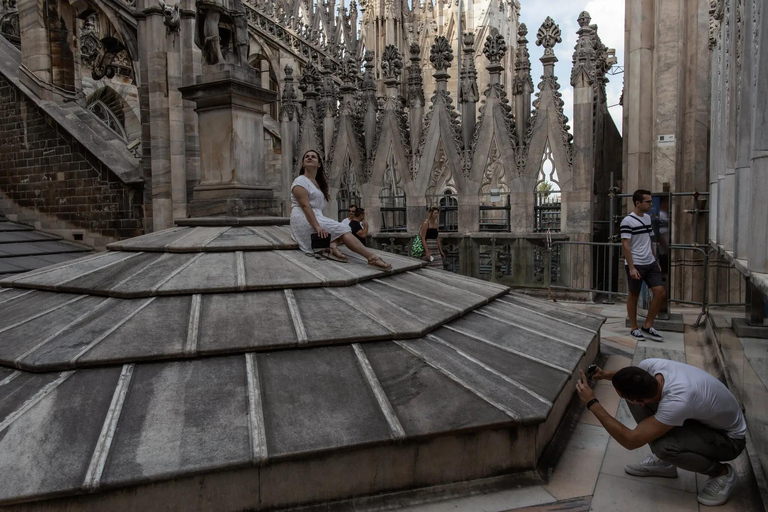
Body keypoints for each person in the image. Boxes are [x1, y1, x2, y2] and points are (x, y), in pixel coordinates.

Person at [576, 360, 746, 507]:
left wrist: (593, 403)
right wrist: (606, 374)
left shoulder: (677, 402)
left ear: (640, 401)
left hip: (729, 440)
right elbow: (633, 376)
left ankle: (722, 473)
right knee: (640, 406)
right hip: (703, 420)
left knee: (664, 447)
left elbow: (630, 441)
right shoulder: (650, 366)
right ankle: (666, 465)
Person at [290, 150, 391, 269]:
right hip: (304, 218)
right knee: (342, 228)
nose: (309, 158)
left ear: (319, 164)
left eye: (313, 157)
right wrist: (317, 226)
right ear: (303, 164)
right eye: (307, 157)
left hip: (316, 216)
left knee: (343, 228)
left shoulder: (317, 183)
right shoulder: (300, 181)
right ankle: (372, 258)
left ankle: (332, 246)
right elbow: (305, 206)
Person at [621, 189, 666, 341]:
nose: (650, 204)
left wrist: (655, 260)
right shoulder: (627, 221)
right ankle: (634, 327)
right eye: (647, 202)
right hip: (636, 263)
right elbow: (626, 245)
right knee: (633, 295)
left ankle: (647, 325)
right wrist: (632, 267)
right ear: (637, 203)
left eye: (651, 201)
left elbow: (649, 240)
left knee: (660, 292)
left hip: (650, 262)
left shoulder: (647, 218)